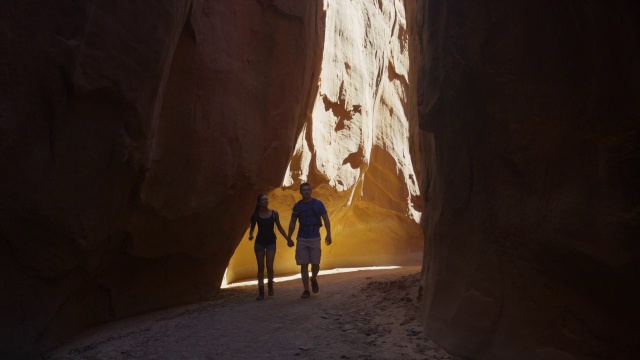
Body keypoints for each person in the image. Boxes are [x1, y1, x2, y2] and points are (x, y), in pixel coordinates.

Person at [287, 182, 332, 299]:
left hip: (315, 237)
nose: (306, 192)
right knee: (304, 265)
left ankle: (313, 278)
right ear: (301, 192)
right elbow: (292, 222)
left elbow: (326, 219)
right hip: (302, 238)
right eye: (304, 190)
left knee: (315, 264)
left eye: (308, 189)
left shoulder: (318, 204)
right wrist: (289, 237)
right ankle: (306, 290)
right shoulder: (298, 206)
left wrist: (328, 234)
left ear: (311, 191)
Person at [248, 194, 294, 300]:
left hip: (271, 242)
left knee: (269, 266)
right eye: (263, 200)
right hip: (259, 242)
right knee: (260, 268)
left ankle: (270, 285)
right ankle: (261, 291)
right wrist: (251, 235)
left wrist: (288, 239)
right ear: (259, 203)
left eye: (266, 199)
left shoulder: (274, 214)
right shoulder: (255, 215)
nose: (266, 201)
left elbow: (279, 227)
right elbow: (252, 227)